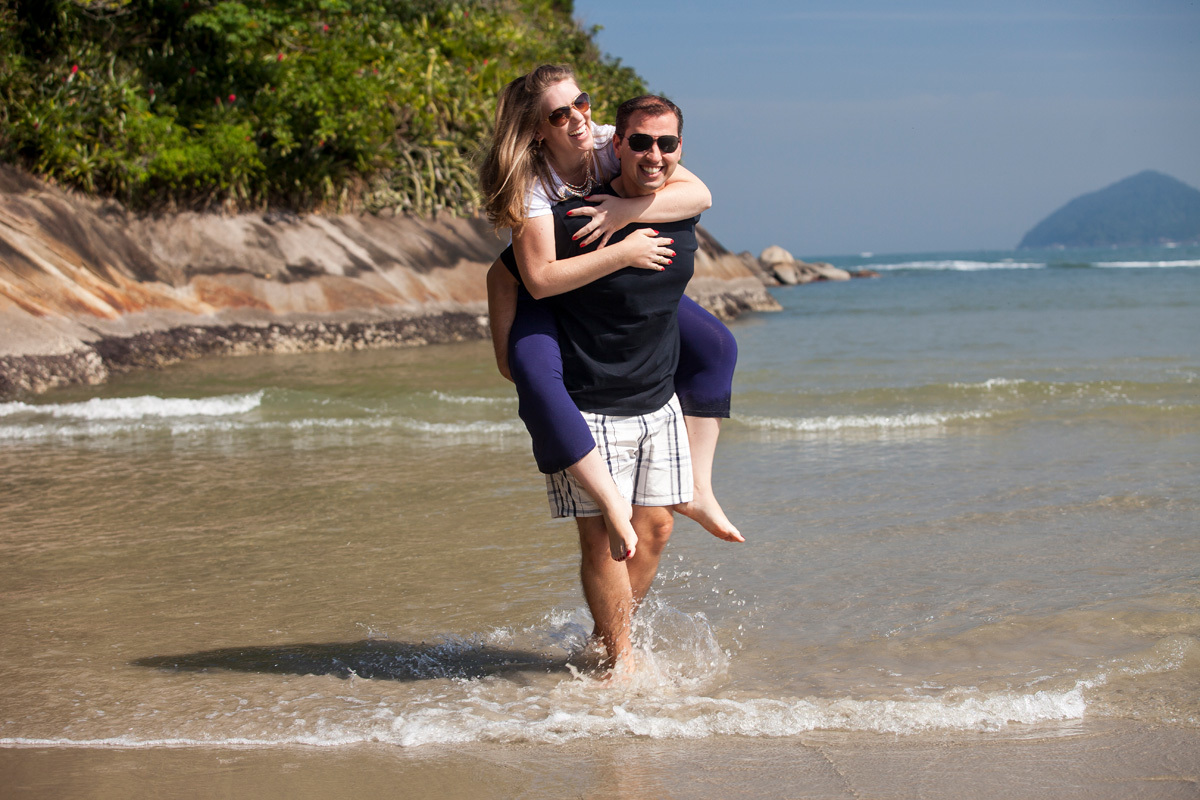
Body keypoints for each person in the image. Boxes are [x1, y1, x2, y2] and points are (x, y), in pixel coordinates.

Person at [478, 65, 742, 560]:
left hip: (603, 284)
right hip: (542, 290)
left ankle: (698, 489)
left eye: (582, 102)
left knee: (716, 346)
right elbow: (529, 277)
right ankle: (609, 501)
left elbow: (699, 194)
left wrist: (625, 213)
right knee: (531, 372)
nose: (577, 118)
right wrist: (622, 251)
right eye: (559, 114)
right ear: (538, 129)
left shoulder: (611, 141)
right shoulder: (534, 182)